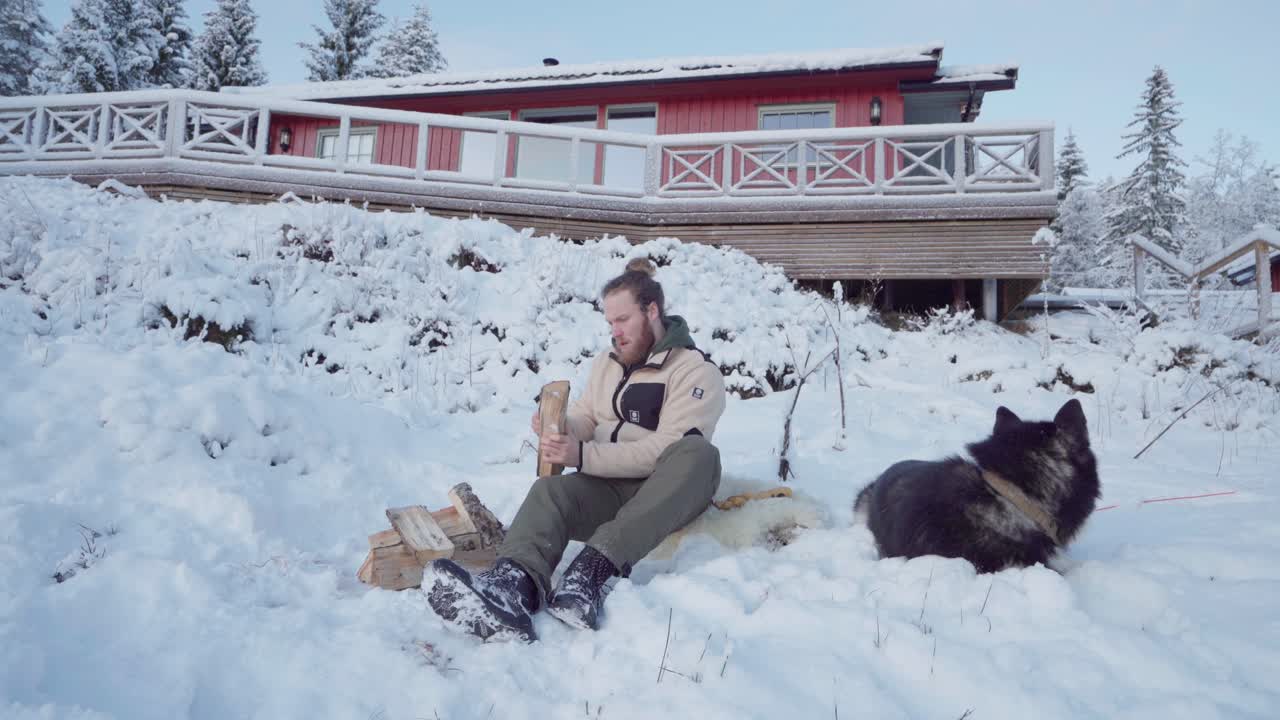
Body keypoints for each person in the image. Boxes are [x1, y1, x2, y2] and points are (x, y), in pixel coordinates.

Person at [422, 258, 726, 642]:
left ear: (652, 311)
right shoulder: (608, 363)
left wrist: (582, 456)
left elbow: (667, 447)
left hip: (668, 492)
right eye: (609, 323)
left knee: (697, 453)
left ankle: (593, 571)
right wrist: (561, 427)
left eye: (623, 320)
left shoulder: (695, 371)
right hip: (612, 487)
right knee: (551, 492)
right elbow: (587, 417)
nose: (615, 332)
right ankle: (511, 588)